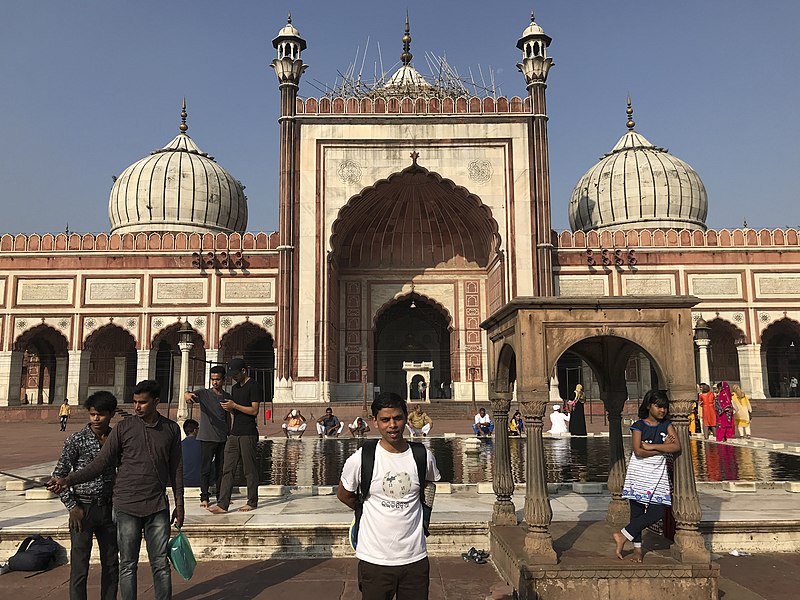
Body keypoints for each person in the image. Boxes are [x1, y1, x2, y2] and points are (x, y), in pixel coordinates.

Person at [48, 380, 183, 600]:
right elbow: (99, 464)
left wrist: (180, 503)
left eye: (143, 402)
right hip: (111, 506)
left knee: (152, 563)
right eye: (135, 402)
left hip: (148, 504)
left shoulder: (169, 429)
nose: (137, 407)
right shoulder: (120, 430)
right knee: (116, 565)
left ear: (156, 402)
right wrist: (67, 483)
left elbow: (176, 467)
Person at [337, 392, 441, 599]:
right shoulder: (361, 459)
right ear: (375, 421)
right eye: (385, 420)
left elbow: (429, 485)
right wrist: (366, 510)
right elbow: (344, 494)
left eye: (397, 418)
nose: (392, 425)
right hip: (375, 559)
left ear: (406, 417)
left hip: (414, 557)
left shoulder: (422, 456)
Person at [52, 391, 119, 600]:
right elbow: (59, 476)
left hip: (108, 509)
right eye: (92, 415)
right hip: (83, 509)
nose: (96, 419)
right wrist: (72, 507)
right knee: (80, 566)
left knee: (111, 564)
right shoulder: (76, 440)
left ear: (111, 414)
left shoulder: (117, 438)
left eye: (100, 414)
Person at [613, 389, 680, 563]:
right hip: (640, 474)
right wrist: (661, 447)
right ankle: (637, 551)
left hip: (658, 474)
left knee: (657, 511)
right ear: (649, 406)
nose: (662, 410)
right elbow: (638, 451)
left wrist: (651, 447)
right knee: (636, 513)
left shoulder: (666, 425)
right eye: (658, 406)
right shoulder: (639, 426)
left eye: (664, 407)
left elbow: (676, 447)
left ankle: (622, 535)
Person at [210, 357, 262, 514]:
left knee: (249, 469)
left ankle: (252, 501)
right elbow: (236, 412)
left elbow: (254, 411)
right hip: (234, 433)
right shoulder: (235, 388)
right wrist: (229, 409)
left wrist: (235, 405)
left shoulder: (254, 386)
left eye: (236, 374)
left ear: (244, 371)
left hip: (248, 433)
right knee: (228, 468)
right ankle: (223, 503)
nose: (233, 377)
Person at [184, 365, 231, 507]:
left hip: (222, 437)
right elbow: (188, 395)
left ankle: (220, 496)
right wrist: (188, 395)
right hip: (206, 437)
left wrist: (229, 431)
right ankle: (204, 497)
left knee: (221, 469)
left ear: (223, 380)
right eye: (212, 379)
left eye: (217, 379)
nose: (215, 382)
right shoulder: (204, 394)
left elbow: (227, 416)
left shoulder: (226, 397)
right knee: (205, 469)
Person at [181, 419, 202, 488]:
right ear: (195, 430)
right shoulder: (202, 444)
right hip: (201, 480)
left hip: (184, 481)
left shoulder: (179, 445)